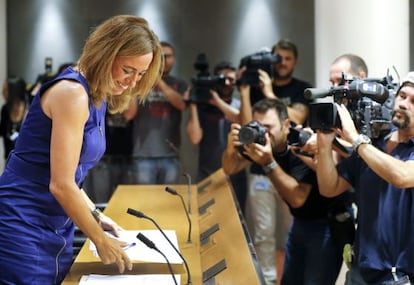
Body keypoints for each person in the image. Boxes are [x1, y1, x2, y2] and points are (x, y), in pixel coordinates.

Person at [0, 15, 163, 284]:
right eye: (127, 70)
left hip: (53, 223)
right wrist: (99, 240)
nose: (133, 82)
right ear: (106, 54)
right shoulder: (72, 94)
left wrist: (97, 217)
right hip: (22, 222)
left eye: (141, 74)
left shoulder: (95, 95)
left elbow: (72, 176)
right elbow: (61, 185)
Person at [222, 98, 345, 285]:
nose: (262, 132)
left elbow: (297, 197)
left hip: (325, 226)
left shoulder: (302, 145)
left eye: (268, 127)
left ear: (286, 125)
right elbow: (230, 168)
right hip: (300, 223)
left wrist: (268, 163)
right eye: (257, 125)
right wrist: (231, 149)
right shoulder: (262, 142)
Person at [315, 71, 414, 285]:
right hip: (361, 270)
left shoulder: (365, 146)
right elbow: (329, 187)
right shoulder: (374, 145)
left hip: (398, 276)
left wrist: (357, 140)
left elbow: (402, 176)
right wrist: (323, 146)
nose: (405, 104)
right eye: (403, 96)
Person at [186, 61, 247, 213]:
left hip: (235, 175)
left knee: (237, 222)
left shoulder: (240, 105)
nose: (226, 83)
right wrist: (193, 103)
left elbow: (242, 120)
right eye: (222, 79)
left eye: (231, 80)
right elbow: (194, 138)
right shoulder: (203, 108)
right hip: (207, 174)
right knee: (206, 220)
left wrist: (217, 101)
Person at [126, 41, 187, 185]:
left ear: (174, 59)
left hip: (170, 154)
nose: (164, 60)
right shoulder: (139, 82)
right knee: (144, 204)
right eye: (161, 57)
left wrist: (158, 81)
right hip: (143, 154)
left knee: (168, 202)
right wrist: (137, 85)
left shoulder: (179, 83)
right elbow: (129, 114)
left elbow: (182, 105)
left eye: (168, 56)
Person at [271, 38, 313, 124]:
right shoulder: (258, 89)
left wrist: (269, 94)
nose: (283, 63)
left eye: (288, 59)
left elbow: (297, 119)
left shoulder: (303, 89)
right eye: (278, 58)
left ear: (295, 62)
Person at [0, 76, 28, 161]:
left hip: (25, 159)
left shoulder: (28, 110)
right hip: (9, 159)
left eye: (6, 89)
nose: (2, 92)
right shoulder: (5, 109)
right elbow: (2, 131)